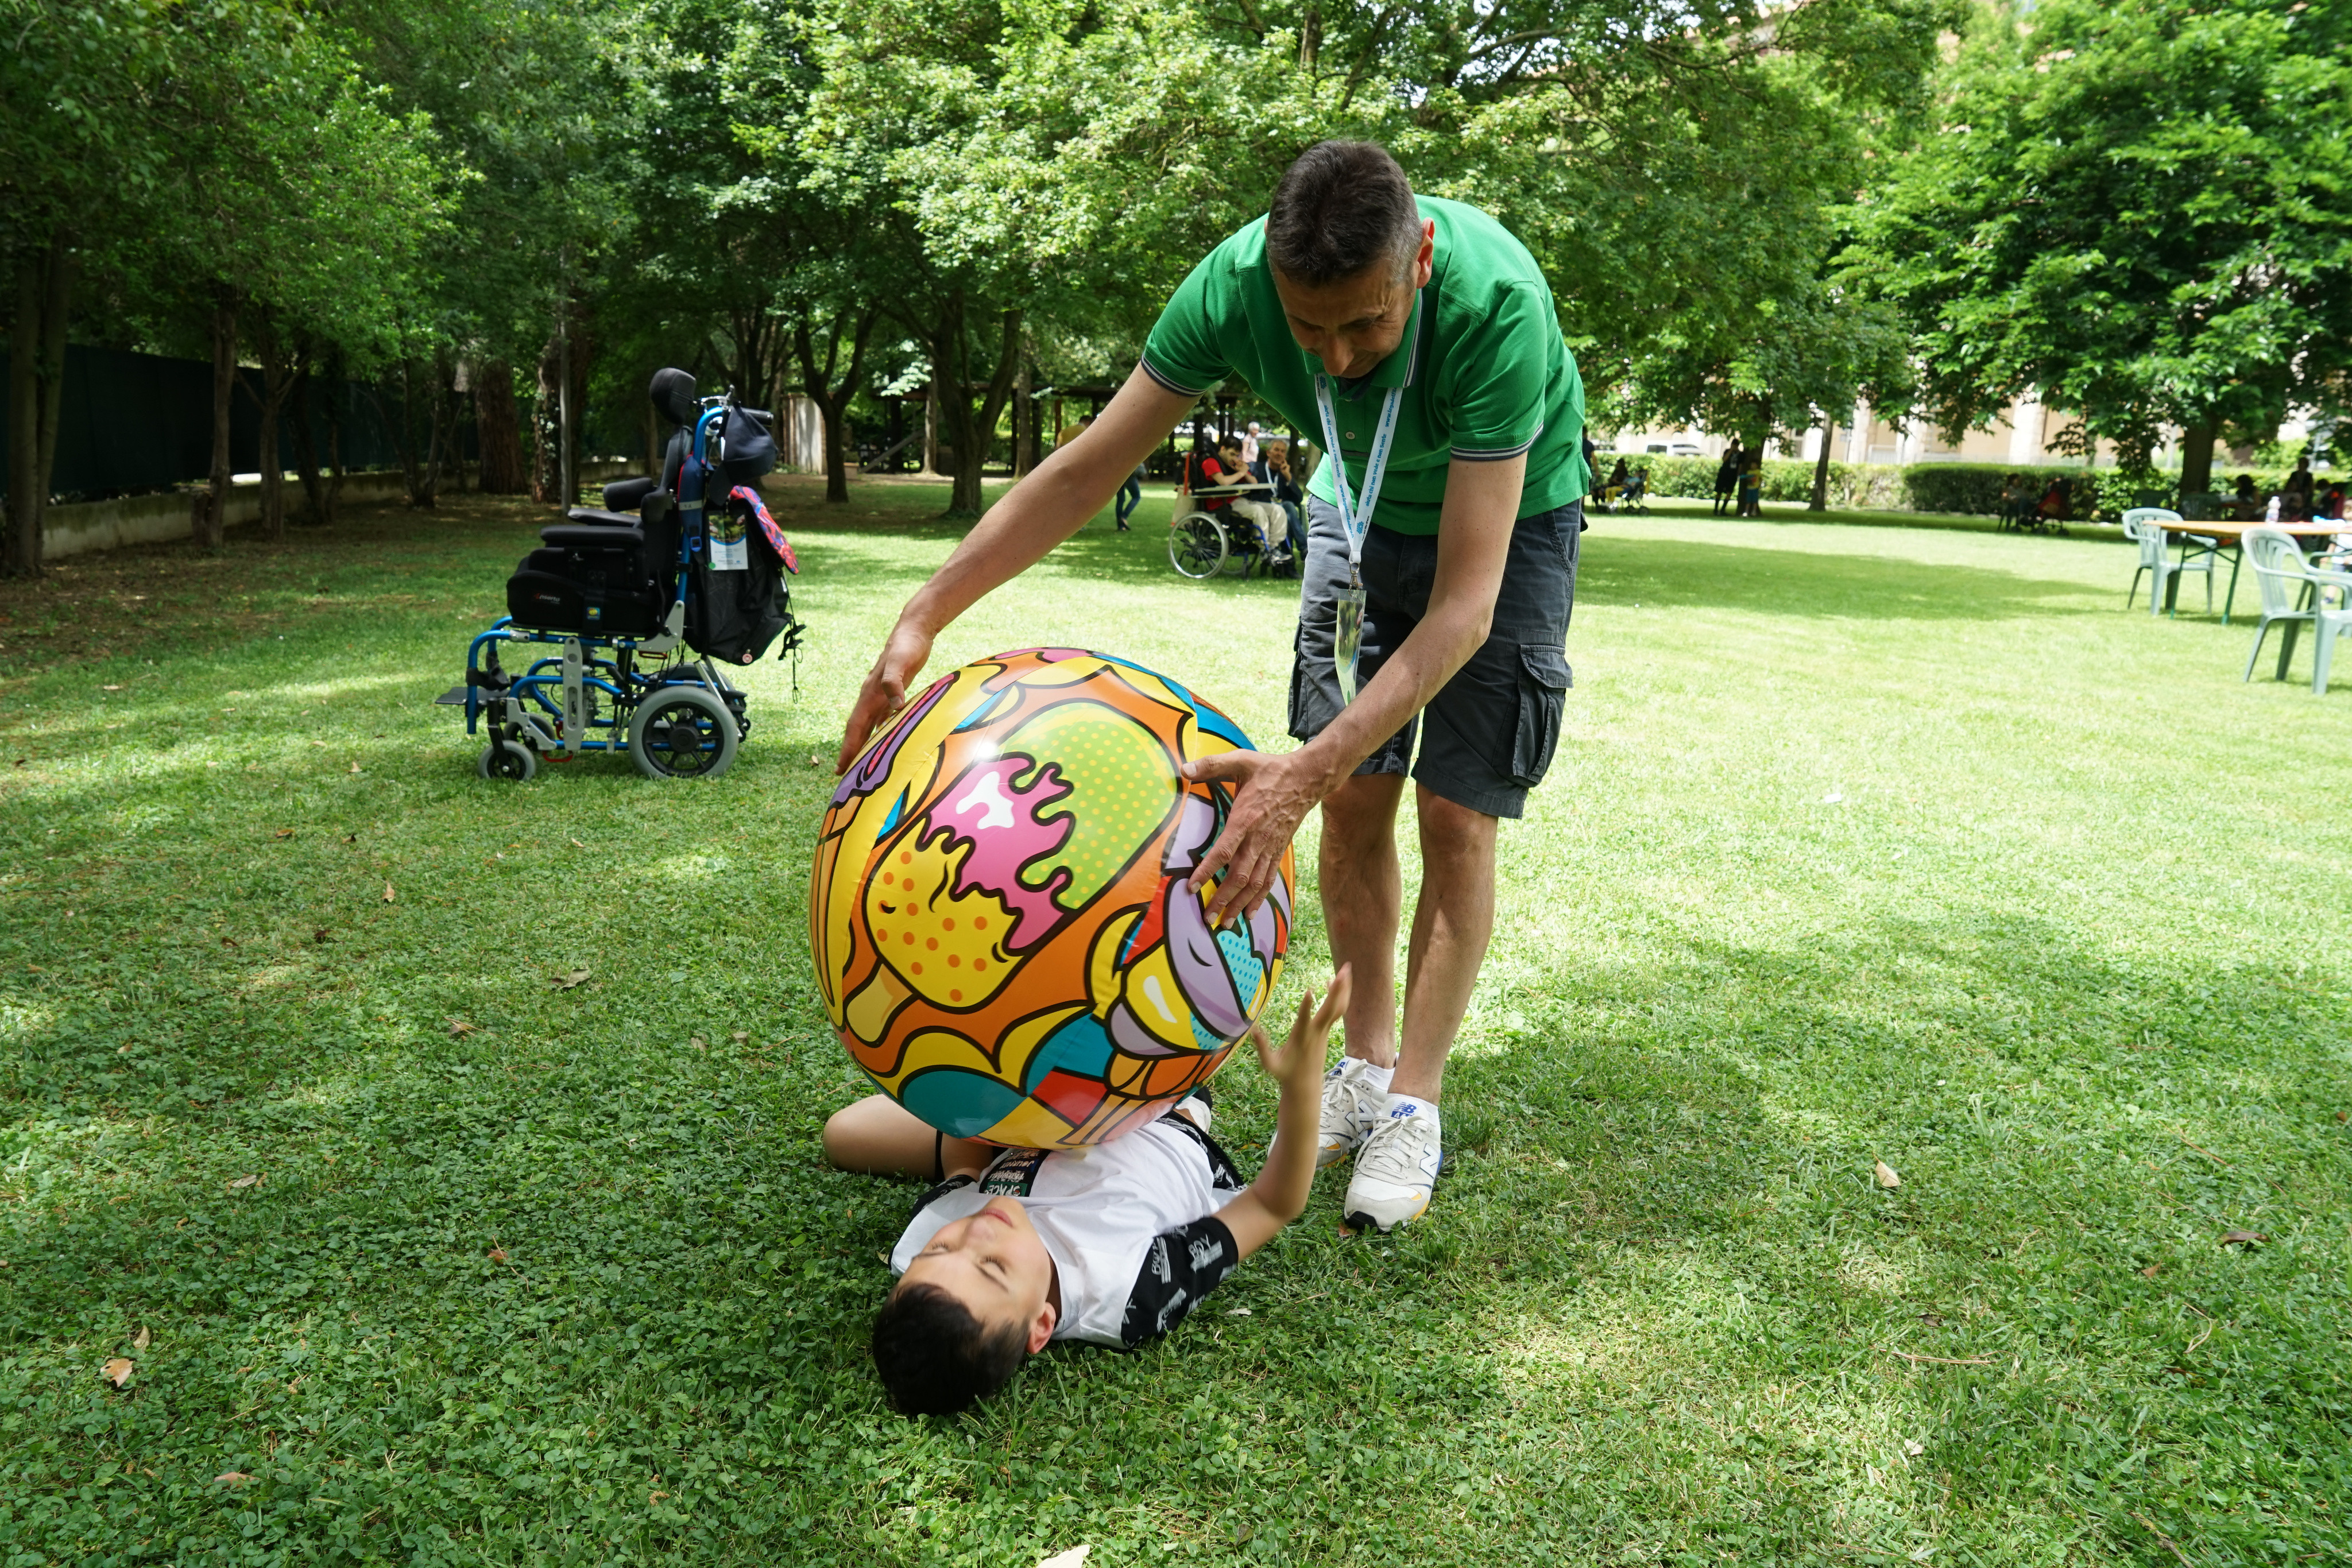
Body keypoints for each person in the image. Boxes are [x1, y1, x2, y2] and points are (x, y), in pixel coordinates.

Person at [836, 140, 1589, 1232]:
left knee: (1456, 816)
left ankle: (1415, 1097)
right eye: (1308, 331)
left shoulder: (1495, 308)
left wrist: (1299, 774)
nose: (1335, 361)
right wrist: (921, 616)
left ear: (1419, 258)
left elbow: (1466, 607)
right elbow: (1091, 465)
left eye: (1366, 327)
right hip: (1357, 508)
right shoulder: (1230, 287)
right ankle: (1366, 1062)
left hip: (1506, 520)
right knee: (1356, 800)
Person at [827, 972, 1350, 1415]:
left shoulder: (932, 1243)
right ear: (1042, 1325)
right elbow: (1272, 1204)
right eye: (992, 1266)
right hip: (1162, 1113)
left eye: (940, 1249)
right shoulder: (1128, 1290)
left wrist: (971, 1055)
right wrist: (1301, 1085)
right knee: (1146, 1011)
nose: (976, 1230)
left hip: (1036, 1118)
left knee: (842, 1136)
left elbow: (966, 1164)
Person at [1263, 439, 1309, 561]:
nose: (1279, 454)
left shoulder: (1284, 473)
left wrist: (1288, 477)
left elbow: (1299, 498)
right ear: (1268, 453)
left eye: (1283, 451)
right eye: (1276, 450)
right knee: (1288, 506)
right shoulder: (1258, 469)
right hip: (1265, 509)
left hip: (1283, 512)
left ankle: (1291, 561)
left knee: (1288, 510)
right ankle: (1304, 547)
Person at [1713, 441, 1743, 516]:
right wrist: (1731, 451)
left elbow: (1740, 465)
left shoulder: (1741, 454)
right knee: (1719, 491)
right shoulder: (1727, 451)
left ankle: (1723, 510)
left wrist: (1738, 475)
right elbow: (1724, 459)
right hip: (1724, 473)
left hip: (1732, 475)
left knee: (1729, 491)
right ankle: (1716, 510)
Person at [1736, 448, 1763, 517]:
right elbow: (1746, 478)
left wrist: (1760, 485)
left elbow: (1761, 478)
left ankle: (1754, 511)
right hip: (1749, 488)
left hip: (1755, 488)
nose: (1753, 466)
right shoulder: (1749, 472)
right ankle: (1746, 511)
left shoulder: (1758, 472)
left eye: (1755, 465)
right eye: (1752, 465)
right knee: (1748, 501)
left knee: (1755, 501)